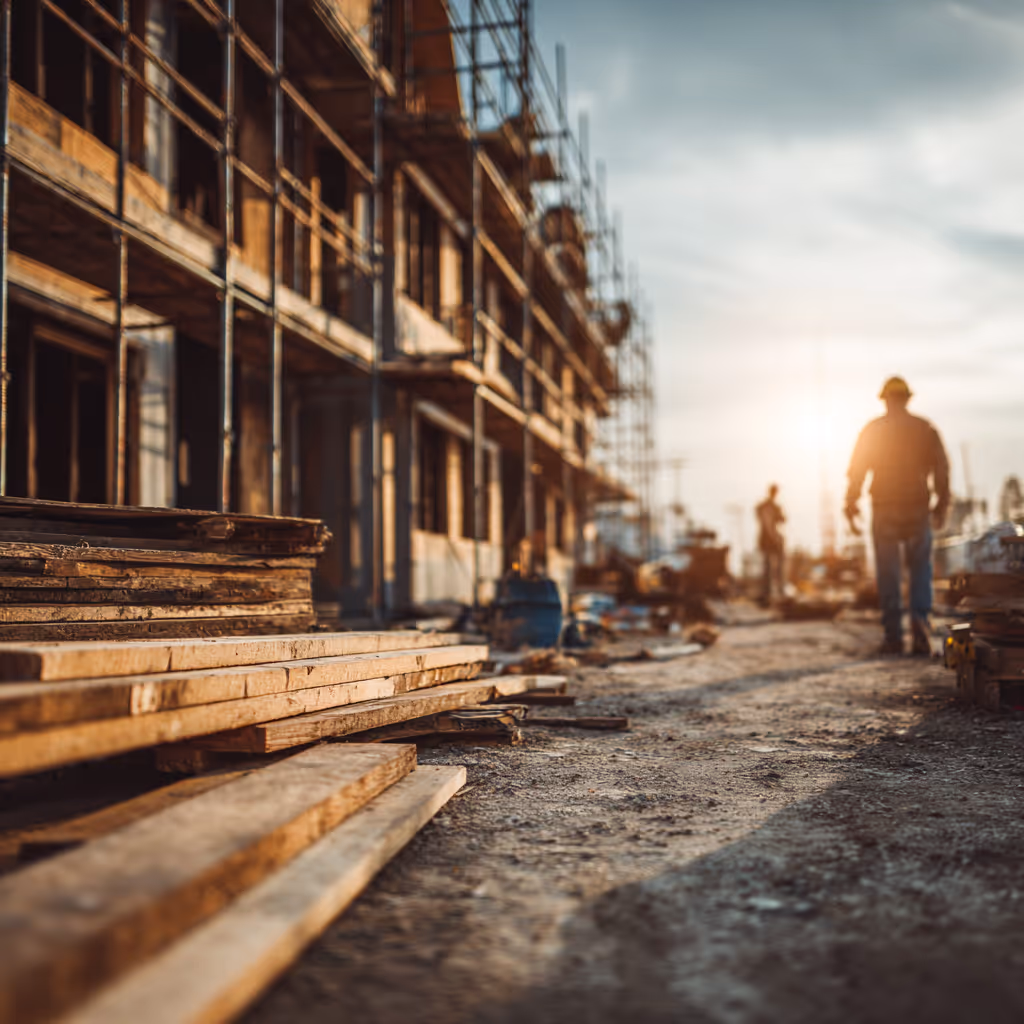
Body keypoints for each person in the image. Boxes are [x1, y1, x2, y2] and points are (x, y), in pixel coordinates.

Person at [845, 376, 949, 656]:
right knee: (920, 569)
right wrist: (942, 504)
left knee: (888, 571)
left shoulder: (873, 430)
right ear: (907, 399)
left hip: (885, 507)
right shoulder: (924, 428)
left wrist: (850, 504)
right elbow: (941, 468)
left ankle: (893, 636)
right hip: (917, 505)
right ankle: (919, 627)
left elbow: (857, 469)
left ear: (885, 399)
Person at [756, 484, 786, 605]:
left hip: (771, 539)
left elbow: (783, 519)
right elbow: (767, 522)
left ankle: (777, 592)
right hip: (769, 540)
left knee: (775, 566)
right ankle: (769, 594)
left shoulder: (774, 507)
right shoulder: (766, 506)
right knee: (769, 567)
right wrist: (774, 537)